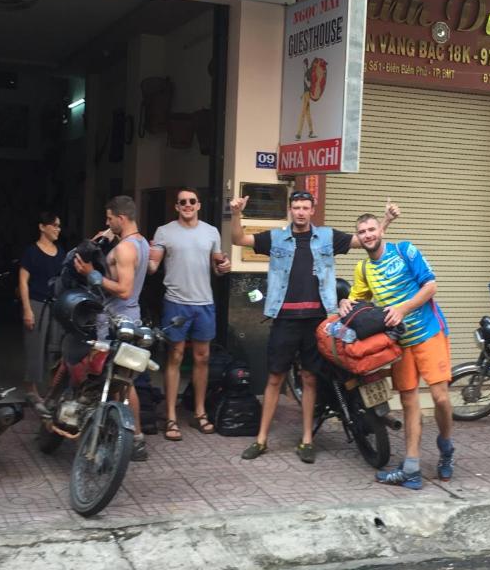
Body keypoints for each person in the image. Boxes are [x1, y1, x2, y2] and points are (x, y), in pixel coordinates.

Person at [230, 190, 399, 463]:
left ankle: (307, 439)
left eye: (305, 207)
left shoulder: (328, 237)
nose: (300, 212)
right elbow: (238, 239)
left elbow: (365, 240)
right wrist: (236, 213)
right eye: (296, 207)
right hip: (284, 319)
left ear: (312, 209)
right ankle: (261, 439)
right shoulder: (275, 238)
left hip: (318, 320)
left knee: (310, 378)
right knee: (274, 378)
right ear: (290, 209)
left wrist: (386, 220)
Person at [339, 214, 453, 490]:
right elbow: (358, 300)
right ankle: (412, 468)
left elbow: (430, 286)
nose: (367, 235)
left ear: (381, 230)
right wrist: (345, 301)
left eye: (371, 229)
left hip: (429, 332)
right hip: (399, 343)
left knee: (439, 397)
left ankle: (446, 444)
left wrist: (403, 309)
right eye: (362, 231)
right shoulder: (364, 269)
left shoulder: (405, 250)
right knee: (409, 402)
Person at [148, 187, 232, 441]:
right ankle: (171, 416)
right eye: (182, 202)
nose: (187, 205)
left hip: (204, 302)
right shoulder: (164, 232)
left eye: (191, 201)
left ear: (198, 205)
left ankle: (199, 412)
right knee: (174, 356)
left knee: (202, 357)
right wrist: (139, 250)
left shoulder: (211, 232)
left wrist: (225, 266)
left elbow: (218, 266)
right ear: (176, 206)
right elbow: (152, 267)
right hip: (176, 303)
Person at [74, 195, 151, 461]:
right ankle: (136, 439)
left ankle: (113, 432)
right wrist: (103, 242)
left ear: (121, 218)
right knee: (125, 382)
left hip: (116, 319)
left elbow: (124, 288)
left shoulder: (125, 249)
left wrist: (91, 275)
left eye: (109, 218)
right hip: (131, 316)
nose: (107, 222)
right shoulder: (140, 243)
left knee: (113, 378)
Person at [18, 211, 64, 407]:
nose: (57, 229)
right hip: (37, 303)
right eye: (54, 225)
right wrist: (27, 309)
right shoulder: (31, 252)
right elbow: (23, 281)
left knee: (55, 348)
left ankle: (52, 390)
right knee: (35, 347)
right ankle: (31, 389)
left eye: (59, 226)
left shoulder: (60, 252)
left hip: (56, 305)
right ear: (42, 227)